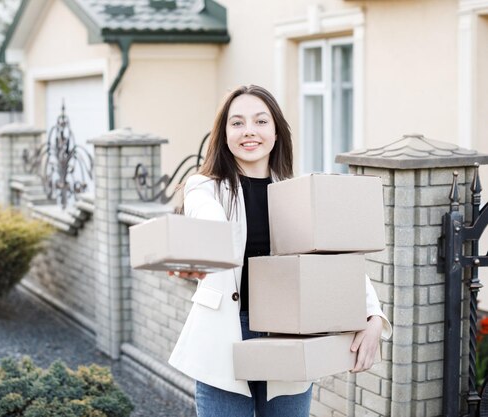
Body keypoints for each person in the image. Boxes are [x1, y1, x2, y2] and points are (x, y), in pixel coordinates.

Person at [167, 84, 392, 417]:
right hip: (223, 337)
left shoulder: (296, 193)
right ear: (224, 133)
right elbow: (207, 218)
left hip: (289, 336)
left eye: (260, 121)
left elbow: (335, 258)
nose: (249, 132)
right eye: (237, 122)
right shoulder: (205, 187)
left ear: (275, 132)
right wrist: (202, 247)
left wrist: (373, 316)